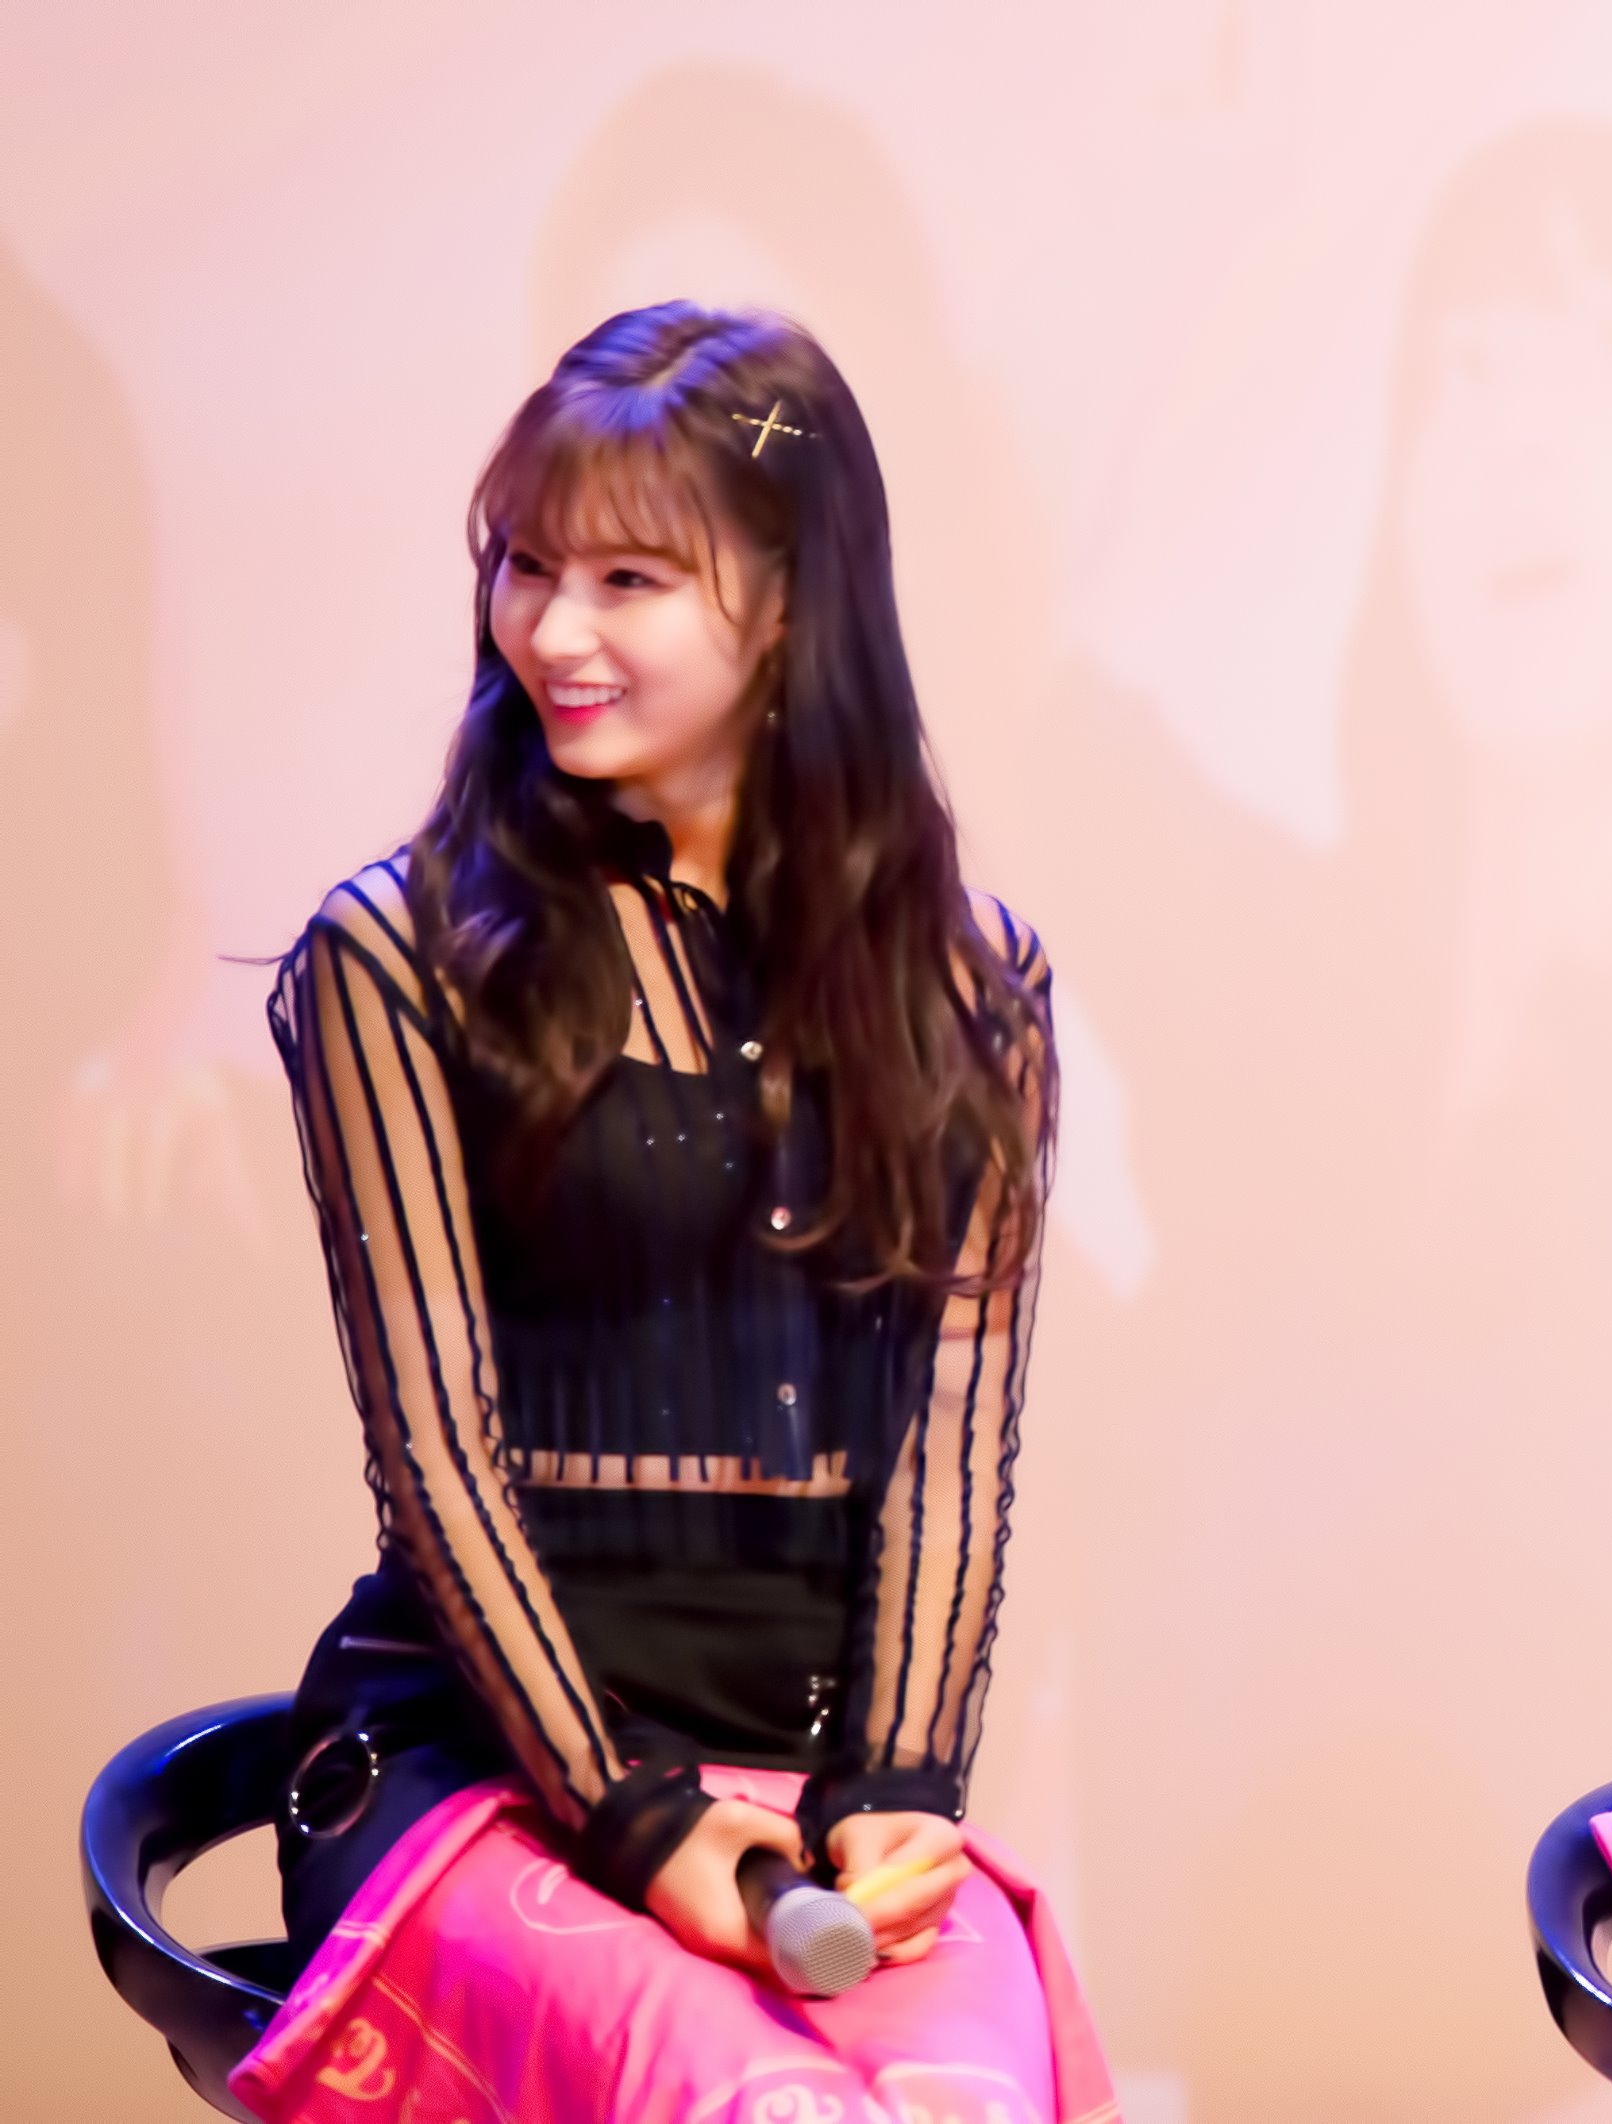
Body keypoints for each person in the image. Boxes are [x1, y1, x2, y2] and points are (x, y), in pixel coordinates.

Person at [230, 302, 1105, 2119]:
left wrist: (902, 1790)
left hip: (812, 1802)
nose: (554, 630)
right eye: (527, 566)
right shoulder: (398, 959)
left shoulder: (973, 990)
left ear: (788, 604)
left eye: (627, 580)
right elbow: (438, 1464)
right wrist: (643, 1825)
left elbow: (948, 1449)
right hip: (492, 1775)